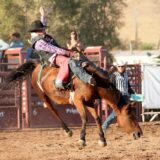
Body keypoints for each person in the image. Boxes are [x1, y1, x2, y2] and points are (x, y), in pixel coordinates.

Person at [28, 8, 96, 90]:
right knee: (69, 61)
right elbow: (53, 49)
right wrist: (68, 53)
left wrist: (42, 15)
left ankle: (96, 69)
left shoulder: (39, 35)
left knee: (78, 54)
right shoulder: (38, 43)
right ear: (37, 31)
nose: (44, 30)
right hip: (52, 57)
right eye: (42, 29)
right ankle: (83, 78)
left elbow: (42, 23)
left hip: (57, 51)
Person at [102, 60, 135, 133]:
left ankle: (127, 125)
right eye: (119, 66)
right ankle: (104, 126)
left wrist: (132, 93)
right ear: (117, 67)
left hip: (126, 96)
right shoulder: (114, 75)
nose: (121, 67)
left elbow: (128, 86)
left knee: (125, 112)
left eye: (122, 66)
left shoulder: (125, 74)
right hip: (118, 97)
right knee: (116, 112)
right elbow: (110, 87)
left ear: (124, 67)